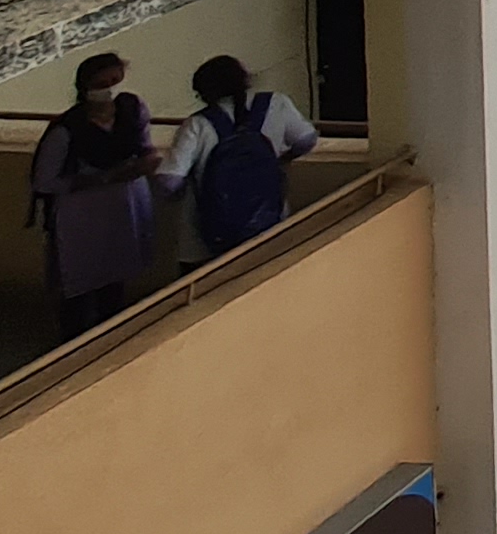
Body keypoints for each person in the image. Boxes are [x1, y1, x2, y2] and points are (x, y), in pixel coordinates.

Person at [28, 51, 156, 338]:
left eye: (115, 80)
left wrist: (147, 161)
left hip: (123, 208)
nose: (111, 89)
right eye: (103, 82)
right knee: (79, 284)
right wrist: (100, 179)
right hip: (81, 216)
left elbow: (144, 144)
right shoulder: (67, 130)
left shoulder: (132, 110)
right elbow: (44, 180)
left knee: (115, 279)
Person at [158, 55, 321, 259]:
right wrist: (283, 159)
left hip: (209, 237)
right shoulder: (277, 103)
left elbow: (169, 180)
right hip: (270, 223)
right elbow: (306, 140)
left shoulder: (197, 124)